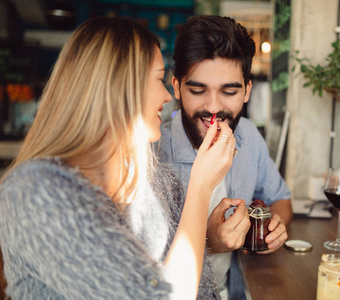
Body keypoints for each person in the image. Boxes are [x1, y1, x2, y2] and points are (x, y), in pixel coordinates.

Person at [0, 17, 236, 299]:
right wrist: (201, 186)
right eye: (159, 79)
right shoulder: (35, 192)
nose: (165, 95)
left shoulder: (154, 179)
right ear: (120, 87)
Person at [155, 15, 293, 299]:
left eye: (229, 91)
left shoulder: (249, 136)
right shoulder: (154, 152)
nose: (214, 108)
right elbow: (147, 282)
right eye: (197, 90)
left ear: (247, 92)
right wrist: (210, 243)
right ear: (177, 87)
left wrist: (274, 225)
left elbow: (281, 200)